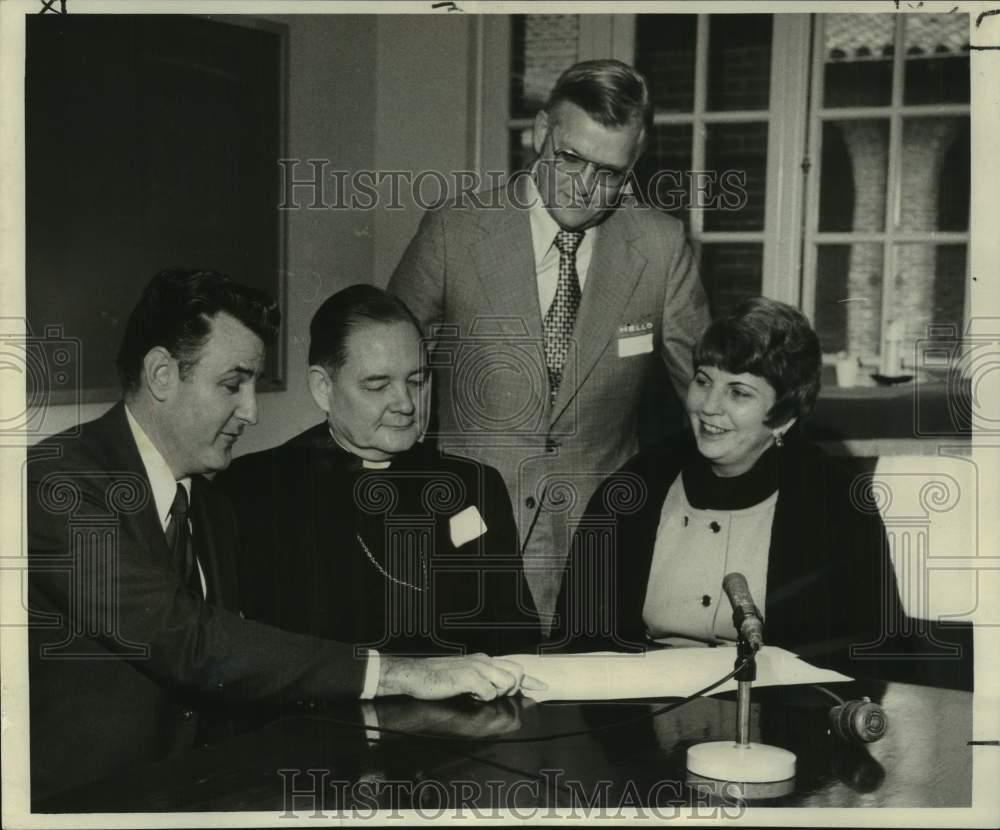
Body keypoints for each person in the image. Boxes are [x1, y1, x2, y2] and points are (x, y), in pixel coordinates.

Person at [27, 269, 540, 804]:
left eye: (417, 379)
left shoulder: (206, 497)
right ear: (161, 374)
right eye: (233, 384)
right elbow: (191, 642)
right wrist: (398, 672)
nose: (252, 411)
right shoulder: (54, 486)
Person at [388, 59, 710, 629]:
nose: (586, 187)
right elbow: (386, 375)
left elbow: (708, 395)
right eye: (570, 159)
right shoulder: (454, 230)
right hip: (467, 543)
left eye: (609, 172)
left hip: (602, 549)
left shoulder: (660, 246)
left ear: (634, 166)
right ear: (541, 134)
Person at [550, 298, 910, 674]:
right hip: (641, 714)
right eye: (703, 381)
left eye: (738, 392)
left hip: (782, 717)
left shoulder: (835, 500)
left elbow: (875, 649)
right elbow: (577, 641)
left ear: (784, 416)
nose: (709, 406)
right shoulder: (633, 487)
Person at [215, 285, 542, 656]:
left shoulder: (475, 485)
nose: (405, 403)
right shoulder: (252, 491)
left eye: (418, 381)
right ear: (323, 388)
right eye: (377, 385)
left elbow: (518, 642)